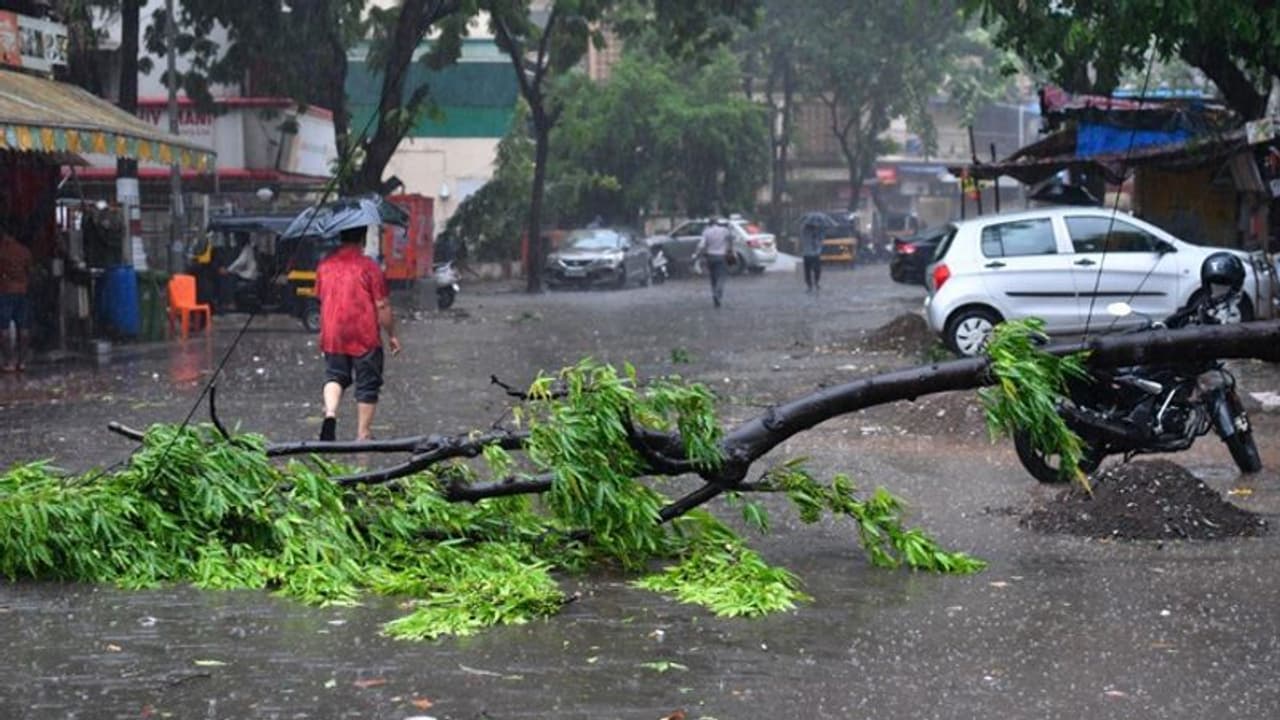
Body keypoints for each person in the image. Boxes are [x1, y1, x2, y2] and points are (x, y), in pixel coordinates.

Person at [315, 225, 401, 442]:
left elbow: (321, 299)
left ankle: (331, 413)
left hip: (333, 332)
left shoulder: (324, 266)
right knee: (367, 383)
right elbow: (382, 305)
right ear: (362, 238)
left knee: (335, 375)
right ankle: (363, 434)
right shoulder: (369, 267)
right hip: (364, 333)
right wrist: (391, 334)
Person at [0, 228, 34, 372]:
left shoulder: (1, 251)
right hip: (23, 291)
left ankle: (9, 361)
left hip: (5, 291)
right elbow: (30, 270)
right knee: (24, 327)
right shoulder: (24, 251)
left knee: (3, 327)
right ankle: (22, 361)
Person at [694, 217, 733, 308]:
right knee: (721, 277)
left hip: (710, 257)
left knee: (713, 278)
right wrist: (729, 250)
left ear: (709, 224)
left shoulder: (706, 231)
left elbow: (702, 244)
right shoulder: (724, 230)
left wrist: (697, 253)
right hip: (721, 256)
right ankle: (718, 294)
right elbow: (730, 239)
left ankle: (715, 296)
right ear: (717, 223)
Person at [800, 218, 825, 292]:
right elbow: (804, 241)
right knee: (809, 271)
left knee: (816, 270)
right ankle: (810, 284)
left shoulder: (817, 232)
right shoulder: (805, 232)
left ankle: (814, 283)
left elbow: (821, 240)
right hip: (808, 254)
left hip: (814, 254)